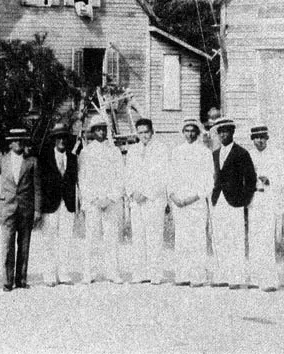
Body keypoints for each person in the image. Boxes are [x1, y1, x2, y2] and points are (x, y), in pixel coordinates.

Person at [210, 117, 257, 289]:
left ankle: (235, 278)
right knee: (220, 238)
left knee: (235, 239)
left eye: (226, 131)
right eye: (220, 132)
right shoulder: (215, 153)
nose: (223, 135)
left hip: (235, 201)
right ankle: (221, 275)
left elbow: (250, 180)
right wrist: (213, 196)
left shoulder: (241, 153)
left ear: (232, 132)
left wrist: (244, 200)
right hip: (218, 200)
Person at [169, 118, 214, 286]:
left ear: (197, 132)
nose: (189, 133)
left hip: (196, 202)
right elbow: (170, 177)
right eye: (186, 130)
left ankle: (197, 276)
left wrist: (193, 197)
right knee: (182, 239)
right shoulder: (176, 152)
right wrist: (174, 197)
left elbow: (208, 181)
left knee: (197, 239)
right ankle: (182, 275)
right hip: (179, 202)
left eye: (192, 130)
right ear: (183, 132)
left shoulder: (204, 152)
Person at [79, 115, 124, 284]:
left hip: (111, 202)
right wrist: (94, 199)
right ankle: (89, 272)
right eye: (97, 129)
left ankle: (112, 272)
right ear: (92, 132)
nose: (101, 132)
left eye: (103, 128)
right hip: (93, 202)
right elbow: (82, 179)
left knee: (111, 237)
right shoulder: (86, 152)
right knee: (91, 238)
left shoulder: (115, 151)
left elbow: (121, 177)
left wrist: (111, 197)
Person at [248, 125, 284, 291]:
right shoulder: (249, 155)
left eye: (262, 137)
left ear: (267, 138)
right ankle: (254, 277)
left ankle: (268, 279)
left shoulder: (277, 154)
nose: (259, 141)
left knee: (266, 239)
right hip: (253, 199)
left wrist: (271, 179)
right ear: (252, 139)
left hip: (268, 198)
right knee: (254, 238)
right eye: (256, 138)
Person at [124, 118, 170, 284]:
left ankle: (155, 273)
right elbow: (128, 174)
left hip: (153, 200)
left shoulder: (161, 149)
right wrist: (133, 192)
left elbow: (162, 175)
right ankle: (140, 272)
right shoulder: (133, 150)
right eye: (140, 132)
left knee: (154, 237)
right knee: (139, 237)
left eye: (146, 132)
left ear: (152, 132)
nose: (144, 135)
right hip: (136, 201)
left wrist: (146, 193)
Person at [0, 128, 41, 292]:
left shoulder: (32, 161)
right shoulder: (1, 160)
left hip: (26, 208)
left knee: (24, 245)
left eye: (21, 140)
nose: (18, 143)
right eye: (15, 140)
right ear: (10, 143)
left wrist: (37, 210)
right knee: (7, 246)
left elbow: (37, 187)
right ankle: (7, 281)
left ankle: (21, 279)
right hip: (7, 208)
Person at [36, 123, 79, 286]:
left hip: (67, 204)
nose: (61, 140)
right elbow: (39, 183)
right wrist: (39, 208)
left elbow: (76, 182)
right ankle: (49, 274)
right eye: (58, 137)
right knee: (49, 240)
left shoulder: (73, 159)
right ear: (54, 140)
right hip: (51, 205)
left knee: (66, 240)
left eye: (64, 137)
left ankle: (64, 273)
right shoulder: (45, 157)